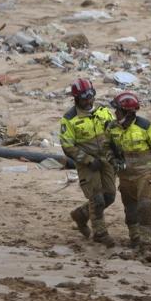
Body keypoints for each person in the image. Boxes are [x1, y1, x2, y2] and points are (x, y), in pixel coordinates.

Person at [106, 91, 151, 261]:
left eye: (117, 110)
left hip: (144, 174)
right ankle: (135, 239)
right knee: (130, 208)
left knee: (145, 205)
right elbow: (107, 149)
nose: (115, 113)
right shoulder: (112, 128)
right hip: (125, 176)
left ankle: (146, 242)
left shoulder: (146, 127)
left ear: (127, 112)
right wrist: (113, 160)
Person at [59, 78, 116, 247]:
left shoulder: (104, 111)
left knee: (109, 196)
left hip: (107, 159)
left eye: (91, 96)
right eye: (84, 98)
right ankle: (100, 233)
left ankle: (81, 214)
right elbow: (67, 145)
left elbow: (114, 133)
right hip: (87, 163)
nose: (88, 100)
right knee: (97, 198)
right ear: (76, 98)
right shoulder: (69, 119)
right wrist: (88, 160)